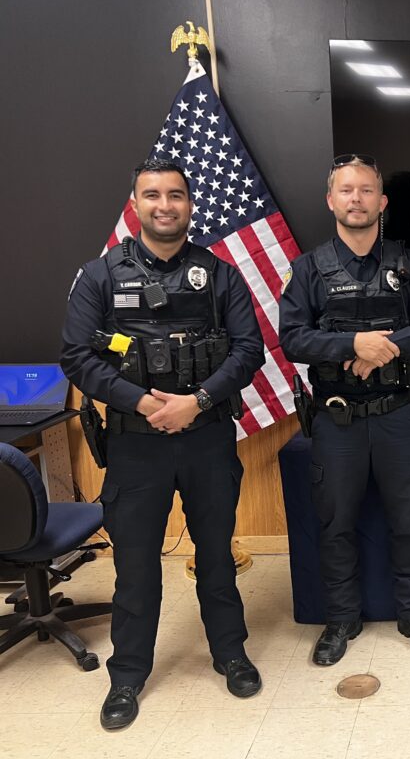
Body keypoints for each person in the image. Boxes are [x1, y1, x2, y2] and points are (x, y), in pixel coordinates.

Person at [60, 158, 266, 730]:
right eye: (152, 195)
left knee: (217, 556)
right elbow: (76, 356)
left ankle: (230, 652)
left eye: (176, 195)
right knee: (134, 567)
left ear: (190, 205)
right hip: (136, 443)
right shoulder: (100, 276)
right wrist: (146, 402)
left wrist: (195, 402)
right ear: (135, 204)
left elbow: (249, 350)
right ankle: (127, 675)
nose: (165, 205)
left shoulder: (220, 275)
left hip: (205, 437)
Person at [278, 154, 410, 663]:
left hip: (400, 415)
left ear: (383, 201)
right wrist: (353, 345)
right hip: (337, 420)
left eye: (367, 190)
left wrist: (388, 345)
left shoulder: (409, 263)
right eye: (347, 190)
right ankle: (340, 621)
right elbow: (292, 338)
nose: (357, 199)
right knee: (335, 525)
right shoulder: (307, 269)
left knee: (409, 522)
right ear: (331, 200)